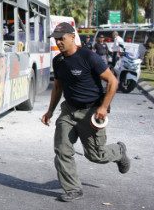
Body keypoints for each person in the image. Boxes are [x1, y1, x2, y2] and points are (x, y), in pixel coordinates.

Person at [41, 22, 130, 202]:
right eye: (56, 39)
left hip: (91, 111)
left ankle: (119, 151)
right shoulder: (58, 61)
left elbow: (113, 81)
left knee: (96, 155)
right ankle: (73, 189)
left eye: (62, 39)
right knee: (62, 150)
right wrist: (50, 111)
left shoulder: (89, 57)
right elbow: (57, 86)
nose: (58, 42)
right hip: (68, 110)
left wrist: (103, 107)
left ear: (73, 37)